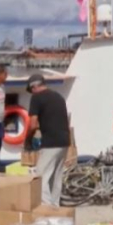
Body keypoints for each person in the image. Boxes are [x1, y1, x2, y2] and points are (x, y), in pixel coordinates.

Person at [25, 73, 70, 208]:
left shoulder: (37, 97)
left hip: (51, 142)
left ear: (33, 87)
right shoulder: (59, 97)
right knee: (56, 177)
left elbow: (33, 124)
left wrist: (27, 140)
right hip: (64, 141)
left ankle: (46, 208)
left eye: (31, 90)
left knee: (40, 176)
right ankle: (55, 207)